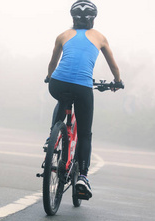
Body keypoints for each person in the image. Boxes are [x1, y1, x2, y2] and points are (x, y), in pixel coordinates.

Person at [45, 0, 122, 200]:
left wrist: (49, 76)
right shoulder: (100, 37)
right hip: (82, 88)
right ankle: (83, 178)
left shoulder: (63, 35)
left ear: (72, 18)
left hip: (57, 84)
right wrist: (117, 81)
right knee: (85, 134)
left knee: (62, 101)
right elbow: (113, 65)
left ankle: (52, 139)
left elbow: (53, 62)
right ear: (93, 19)